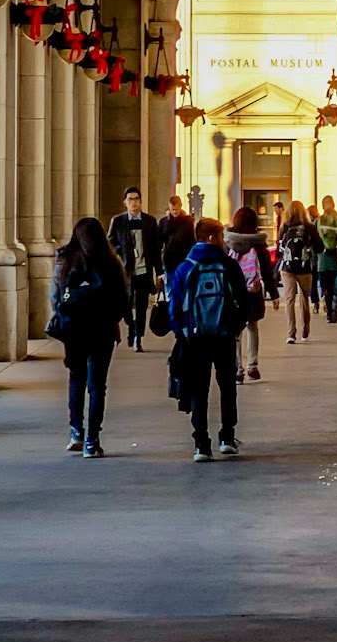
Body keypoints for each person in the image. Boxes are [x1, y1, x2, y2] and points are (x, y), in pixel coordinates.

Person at [168, 216, 251, 460]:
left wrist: (181, 331)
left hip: (195, 339)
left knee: (198, 389)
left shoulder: (185, 268)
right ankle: (227, 437)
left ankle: (201, 444)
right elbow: (243, 302)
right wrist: (236, 326)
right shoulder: (228, 266)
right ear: (213, 238)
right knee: (227, 387)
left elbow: (175, 308)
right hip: (224, 336)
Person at [49, 216, 129, 456]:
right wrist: (112, 318)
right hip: (102, 330)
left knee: (76, 378)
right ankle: (92, 441)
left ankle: (76, 431)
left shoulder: (66, 259)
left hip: (74, 329)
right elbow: (123, 299)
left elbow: (55, 295)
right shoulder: (110, 262)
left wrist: (65, 315)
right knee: (97, 386)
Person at [224, 204, 277, 382]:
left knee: (235, 333)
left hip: (233, 294)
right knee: (252, 327)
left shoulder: (229, 243)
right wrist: (274, 293)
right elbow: (267, 272)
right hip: (253, 292)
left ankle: (237, 369)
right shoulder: (258, 245)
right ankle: (252, 365)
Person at [107, 187, 163, 350]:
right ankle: (131, 328)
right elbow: (110, 243)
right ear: (125, 203)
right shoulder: (117, 221)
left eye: (136, 199)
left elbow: (155, 248)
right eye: (130, 199)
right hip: (126, 271)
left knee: (142, 306)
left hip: (144, 270)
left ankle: (139, 336)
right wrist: (122, 251)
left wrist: (159, 272)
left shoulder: (150, 221)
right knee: (125, 304)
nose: (134, 202)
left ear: (140, 201)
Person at [277, 200, 318, 342]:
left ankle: (291, 334)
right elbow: (320, 247)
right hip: (304, 267)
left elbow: (279, 249)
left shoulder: (284, 227)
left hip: (287, 268)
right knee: (304, 299)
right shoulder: (309, 227)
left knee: (289, 300)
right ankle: (305, 330)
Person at [314, 195, 337, 321]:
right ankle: (336, 310)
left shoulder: (318, 221)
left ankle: (329, 313)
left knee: (326, 288)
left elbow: (314, 241)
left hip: (323, 261)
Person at [160, 195, 196, 281]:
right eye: (173, 210)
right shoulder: (164, 222)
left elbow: (191, 241)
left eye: (176, 209)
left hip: (183, 259)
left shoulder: (188, 222)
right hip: (170, 261)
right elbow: (159, 242)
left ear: (180, 207)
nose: (175, 212)